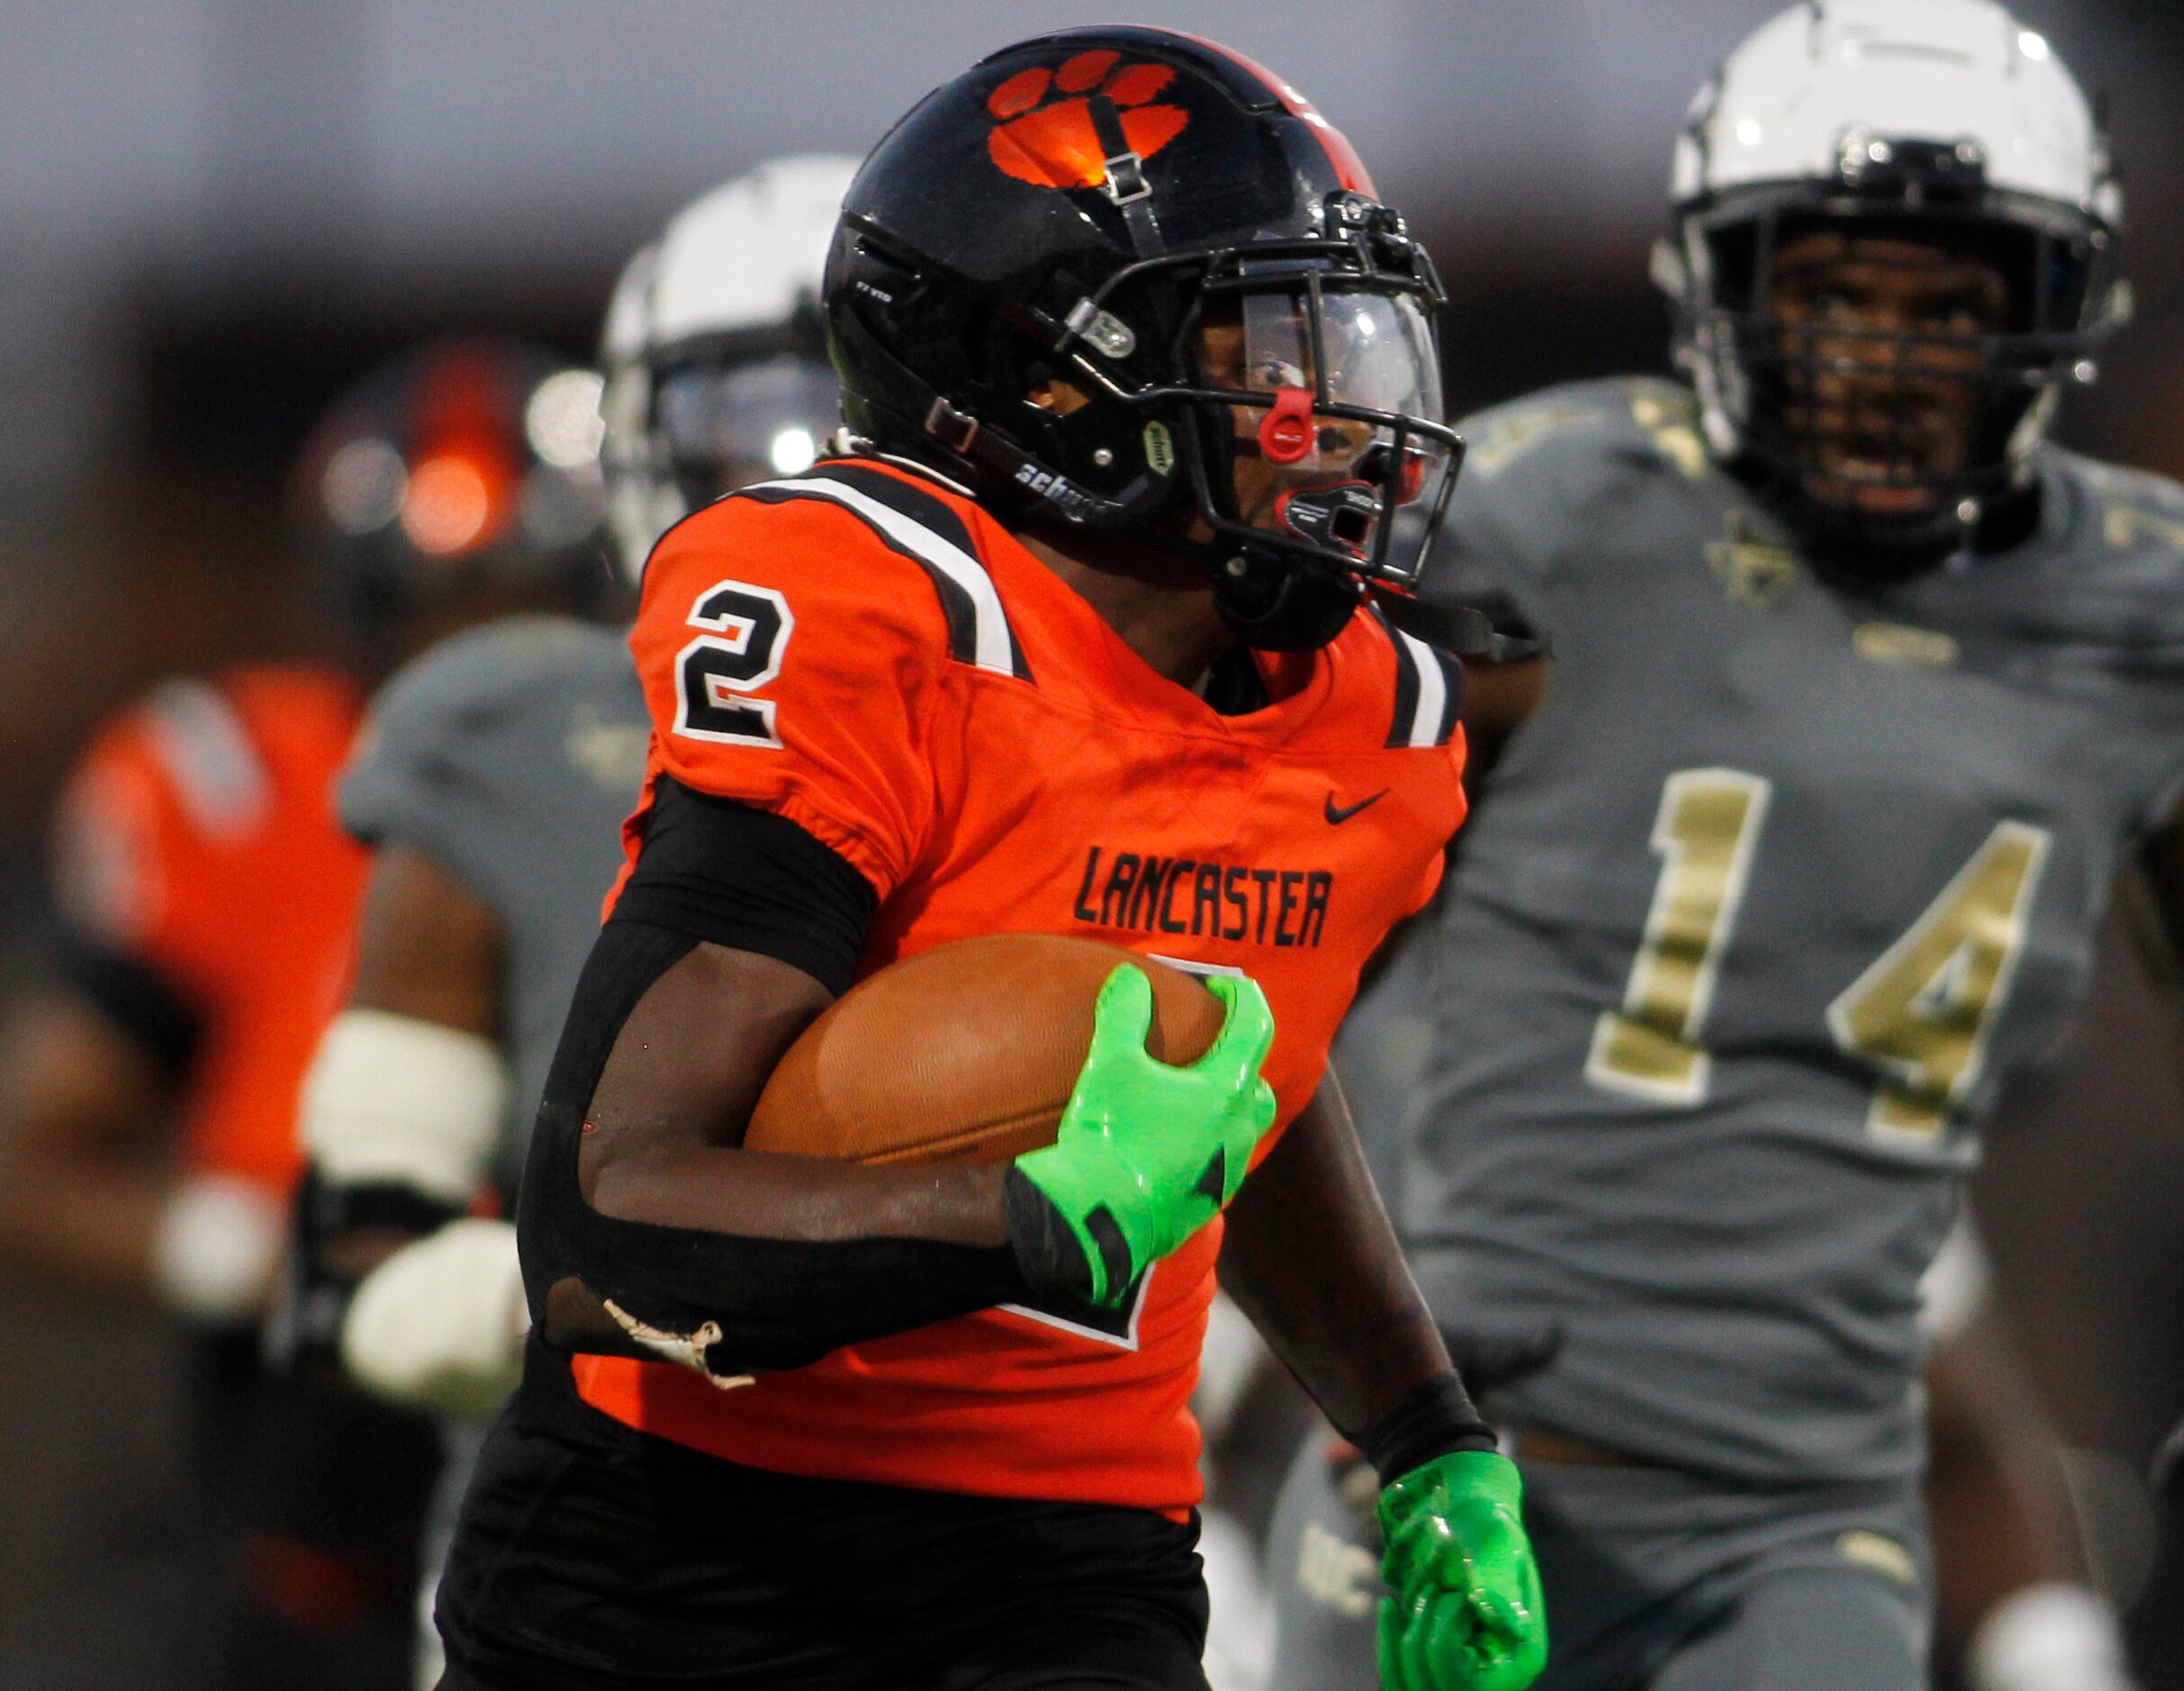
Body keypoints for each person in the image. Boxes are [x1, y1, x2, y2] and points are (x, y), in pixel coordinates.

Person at [433, 26, 1546, 1691]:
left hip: (1071, 1558)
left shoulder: (1374, 718)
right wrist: (1019, 1216)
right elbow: (612, 1218)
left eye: (1350, 344)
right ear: (1049, 374)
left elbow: (1239, 1063)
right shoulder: (887, 620)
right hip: (685, 1536)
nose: (1337, 421)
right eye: (1264, 349)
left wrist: (1427, 1432)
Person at [1265, 2, 2176, 1686]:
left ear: (2050, 317)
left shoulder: (2140, 615)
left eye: (1948, 305)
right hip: (1467, 1457)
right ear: (1726, 286)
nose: (1886, 357)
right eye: (1833, 295)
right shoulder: (1570, 521)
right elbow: (1259, 950)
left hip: (1803, 1511)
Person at [287, 155, 856, 1690]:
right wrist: (684, 1271)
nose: (834, 471)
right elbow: (356, 1279)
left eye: (884, 409)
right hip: (612, 1568)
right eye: (767, 415)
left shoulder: (1107, 739)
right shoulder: (517, 725)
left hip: (1007, 1564)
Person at [0, 339, 609, 1690]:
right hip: (323, 1425)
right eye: (439, 612)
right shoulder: (245, 786)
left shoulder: (678, 766)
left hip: (610, 1373)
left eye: (521, 602)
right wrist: (242, 1247)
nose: (481, 663)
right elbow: (35, 1152)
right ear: (356, 610)